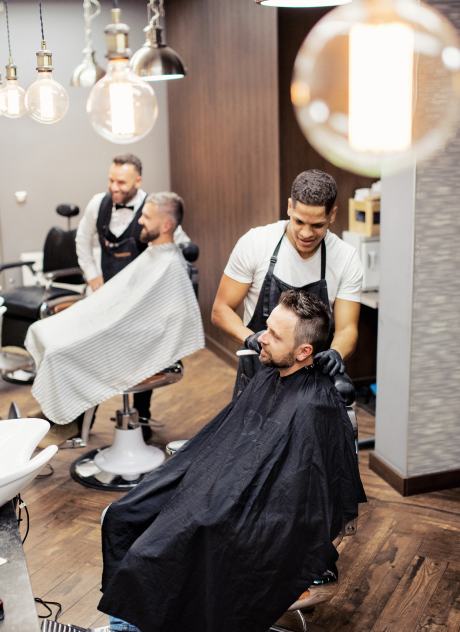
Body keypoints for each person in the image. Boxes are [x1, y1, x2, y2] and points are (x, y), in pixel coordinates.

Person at [65, 288, 365, 632]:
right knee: (120, 515)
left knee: (157, 546)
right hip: (222, 489)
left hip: (249, 521)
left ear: (303, 351)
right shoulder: (270, 377)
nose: (261, 337)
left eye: (274, 336)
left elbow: (301, 499)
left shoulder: (316, 406)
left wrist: (217, 508)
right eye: (267, 328)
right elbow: (231, 441)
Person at [25, 193, 204, 429]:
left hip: (132, 337)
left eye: (146, 217)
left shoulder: (170, 265)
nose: (139, 221)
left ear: (166, 225)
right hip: (118, 322)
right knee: (43, 329)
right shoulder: (153, 254)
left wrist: (108, 325)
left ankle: (67, 422)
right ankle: (64, 414)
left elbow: (171, 320)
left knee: (59, 351)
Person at [211, 169, 363, 397]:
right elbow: (220, 310)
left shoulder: (346, 257)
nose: (306, 233)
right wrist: (249, 337)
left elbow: (347, 328)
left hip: (314, 382)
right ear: (290, 207)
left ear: (332, 214)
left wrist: (337, 352)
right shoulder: (255, 243)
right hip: (257, 375)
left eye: (318, 225)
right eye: (299, 221)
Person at [75, 154, 192, 430]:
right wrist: (94, 279)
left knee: (141, 358)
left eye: (121, 182)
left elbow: (180, 241)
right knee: (91, 352)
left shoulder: (154, 210)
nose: (114, 187)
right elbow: (82, 241)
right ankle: (81, 421)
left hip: (140, 303)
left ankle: (140, 416)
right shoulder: (98, 204)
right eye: (111, 180)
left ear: (138, 181)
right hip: (107, 296)